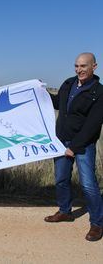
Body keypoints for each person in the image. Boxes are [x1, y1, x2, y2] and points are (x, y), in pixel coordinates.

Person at [45, 52, 103, 242]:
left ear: (94, 67)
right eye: (76, 66)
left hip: (83, 145)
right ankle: (65, 212)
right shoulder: (68, 83)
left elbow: (93, 125)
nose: (79, 70)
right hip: (61, 140)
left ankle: (97, 223)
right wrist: (40, 92)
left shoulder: (99, 92)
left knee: (88, 184)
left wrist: (75, 147)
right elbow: (57, 103)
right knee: (61, 179)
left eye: (83, 66)